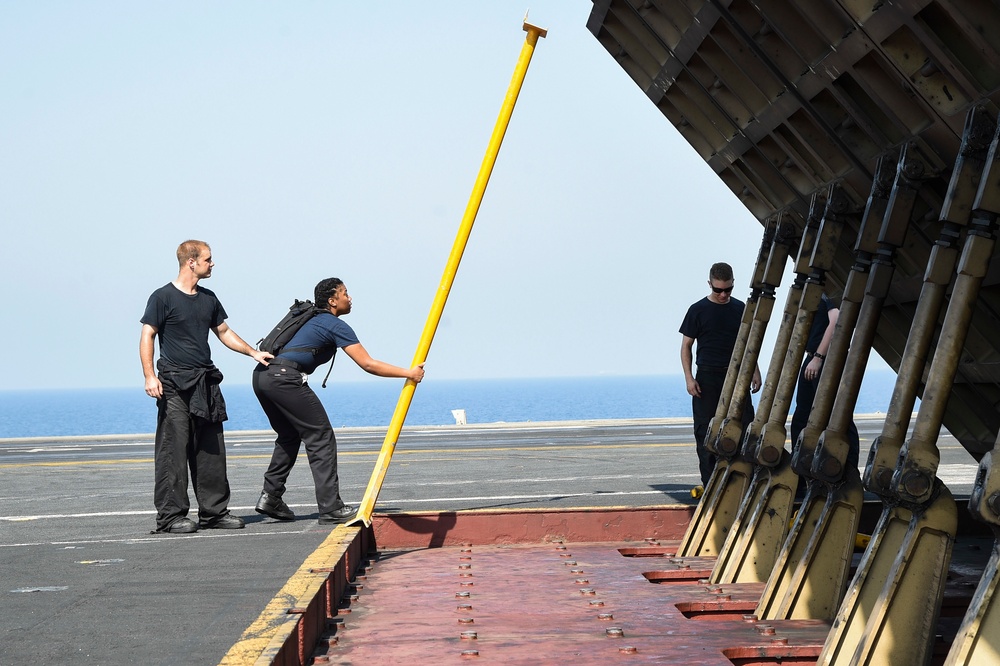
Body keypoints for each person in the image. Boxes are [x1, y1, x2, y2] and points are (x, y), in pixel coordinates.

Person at [252, 277, 425, 525]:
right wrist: (409, 373)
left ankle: (271, 496)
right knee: (320, 436)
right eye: (345, 293)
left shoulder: (309, 319)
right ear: (333, 301)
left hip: (262, 377)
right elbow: (368, 364)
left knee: (290, 436)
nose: (349, 297)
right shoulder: (333, 324)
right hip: (284, 378)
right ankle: (331, 507)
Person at [140, 240, 273, 534]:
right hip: (174, 383)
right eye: (208, 259)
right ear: (191, 261)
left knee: (211, 451)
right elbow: (148, 334)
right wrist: (150, 376)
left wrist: (253, 352)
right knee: (173, 451)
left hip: (205, 382)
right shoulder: (162, 297)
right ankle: (171, 517)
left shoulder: (209, 299)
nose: (213, 264)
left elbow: (223, 332)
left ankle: (214, 514)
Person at [679, 262, 761, 486]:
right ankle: (710, 485)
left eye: (728, 289)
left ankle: (746, 482)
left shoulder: (740, 308)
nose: (723, 294)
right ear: (710, 285)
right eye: (718, 290)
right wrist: (689, 378)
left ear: (733, 284)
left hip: (737, 377)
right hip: (707, 378)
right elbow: (686, 346)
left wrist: (755, 370)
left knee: (745, 429)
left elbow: (748, 343)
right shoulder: (697, 310)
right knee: (705, 433)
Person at [789, 293, 860, 472]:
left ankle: (849, 471)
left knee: (838, 418)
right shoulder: (812, 292)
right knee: (802, 416)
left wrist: (819, 357)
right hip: (814, 357)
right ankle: (803, 468)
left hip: (823, 359)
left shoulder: (828, 292)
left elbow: (836, 321)